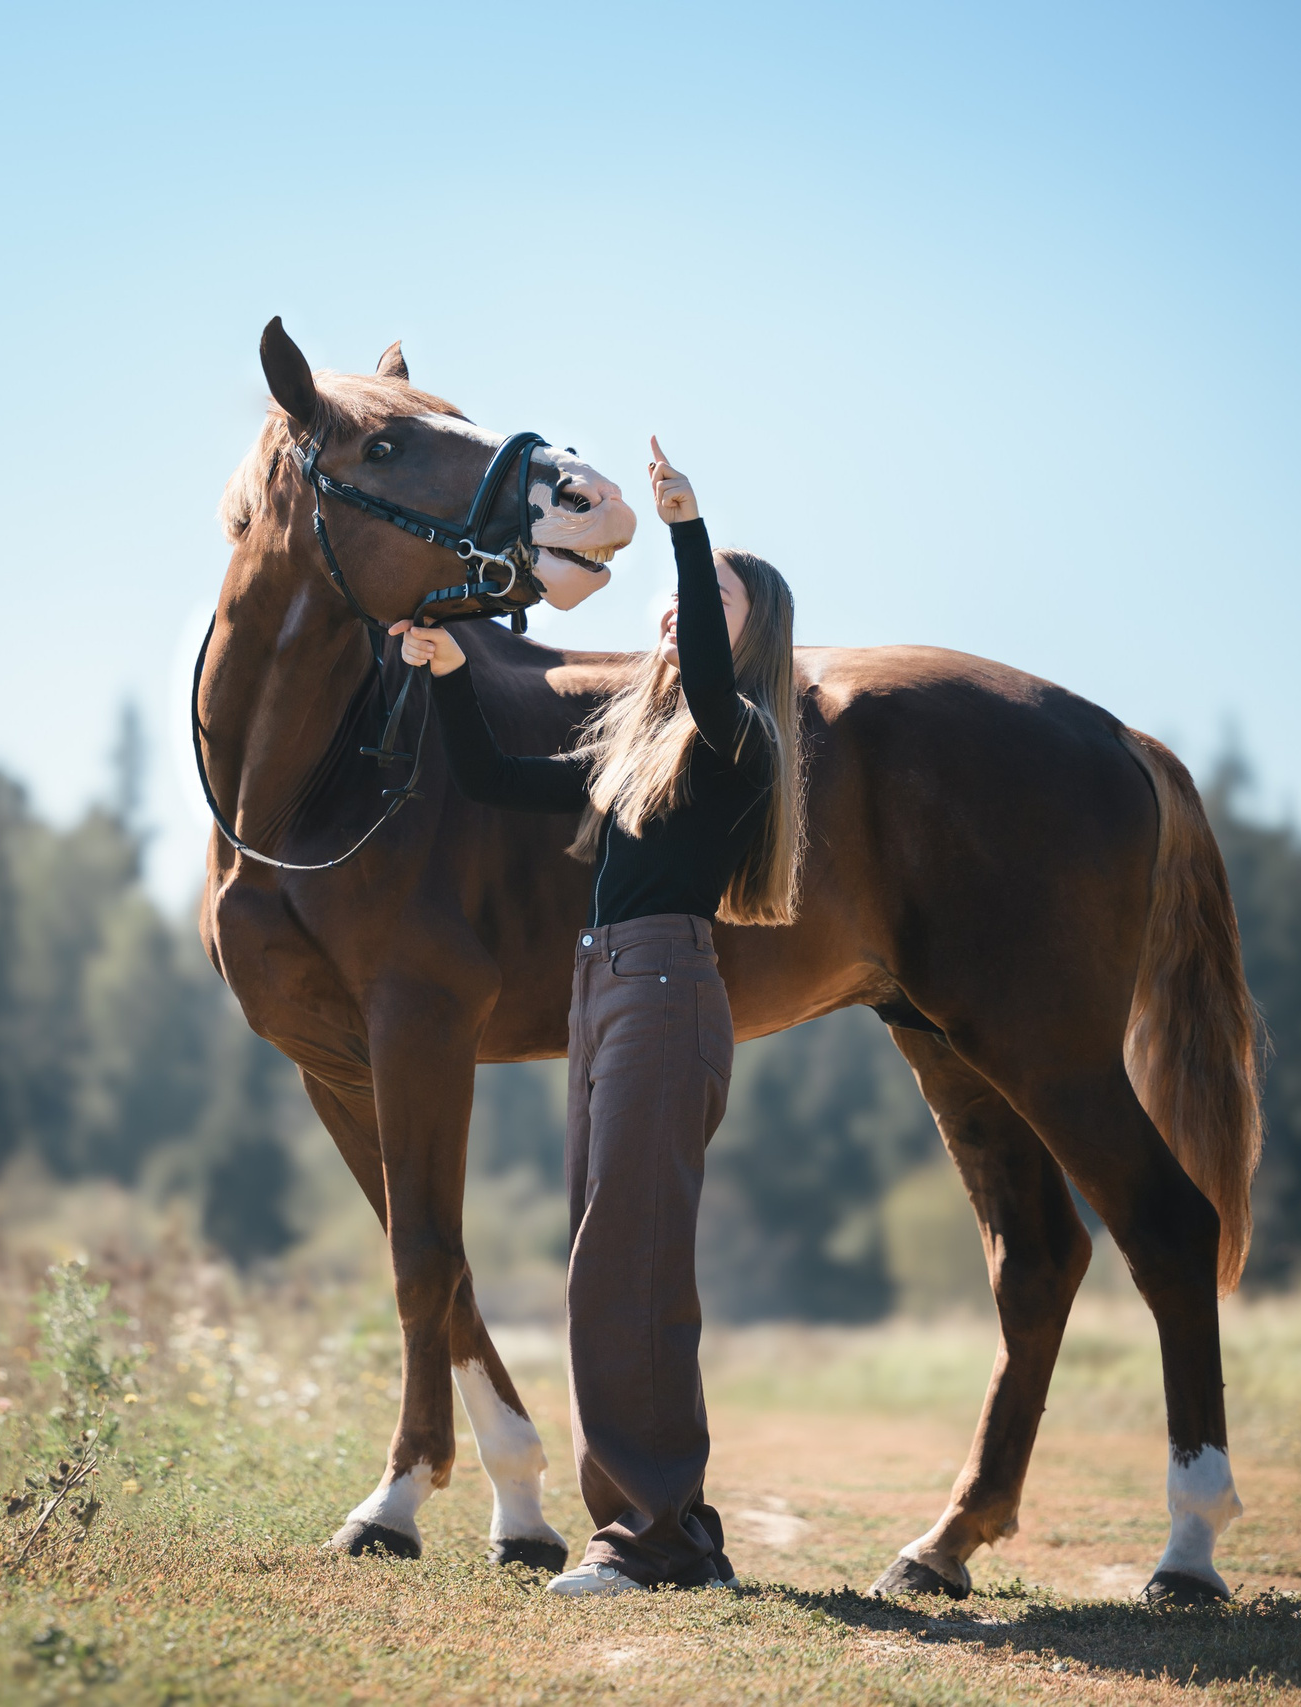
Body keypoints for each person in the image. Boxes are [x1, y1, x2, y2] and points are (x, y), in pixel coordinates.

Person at [390, 437, 802, 1597]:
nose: (679, 605)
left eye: (708, 596)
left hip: (667, 991)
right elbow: (489, 779)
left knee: (629, 1268)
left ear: (747, 633)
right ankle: (663, 1531)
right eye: (685, 588)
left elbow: (712, 680)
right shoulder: (642, 741)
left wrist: (681, 526)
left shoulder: (738, 736)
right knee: (606, 1265)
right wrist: (445, 668)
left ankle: (653, 1539)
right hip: (606, 989)